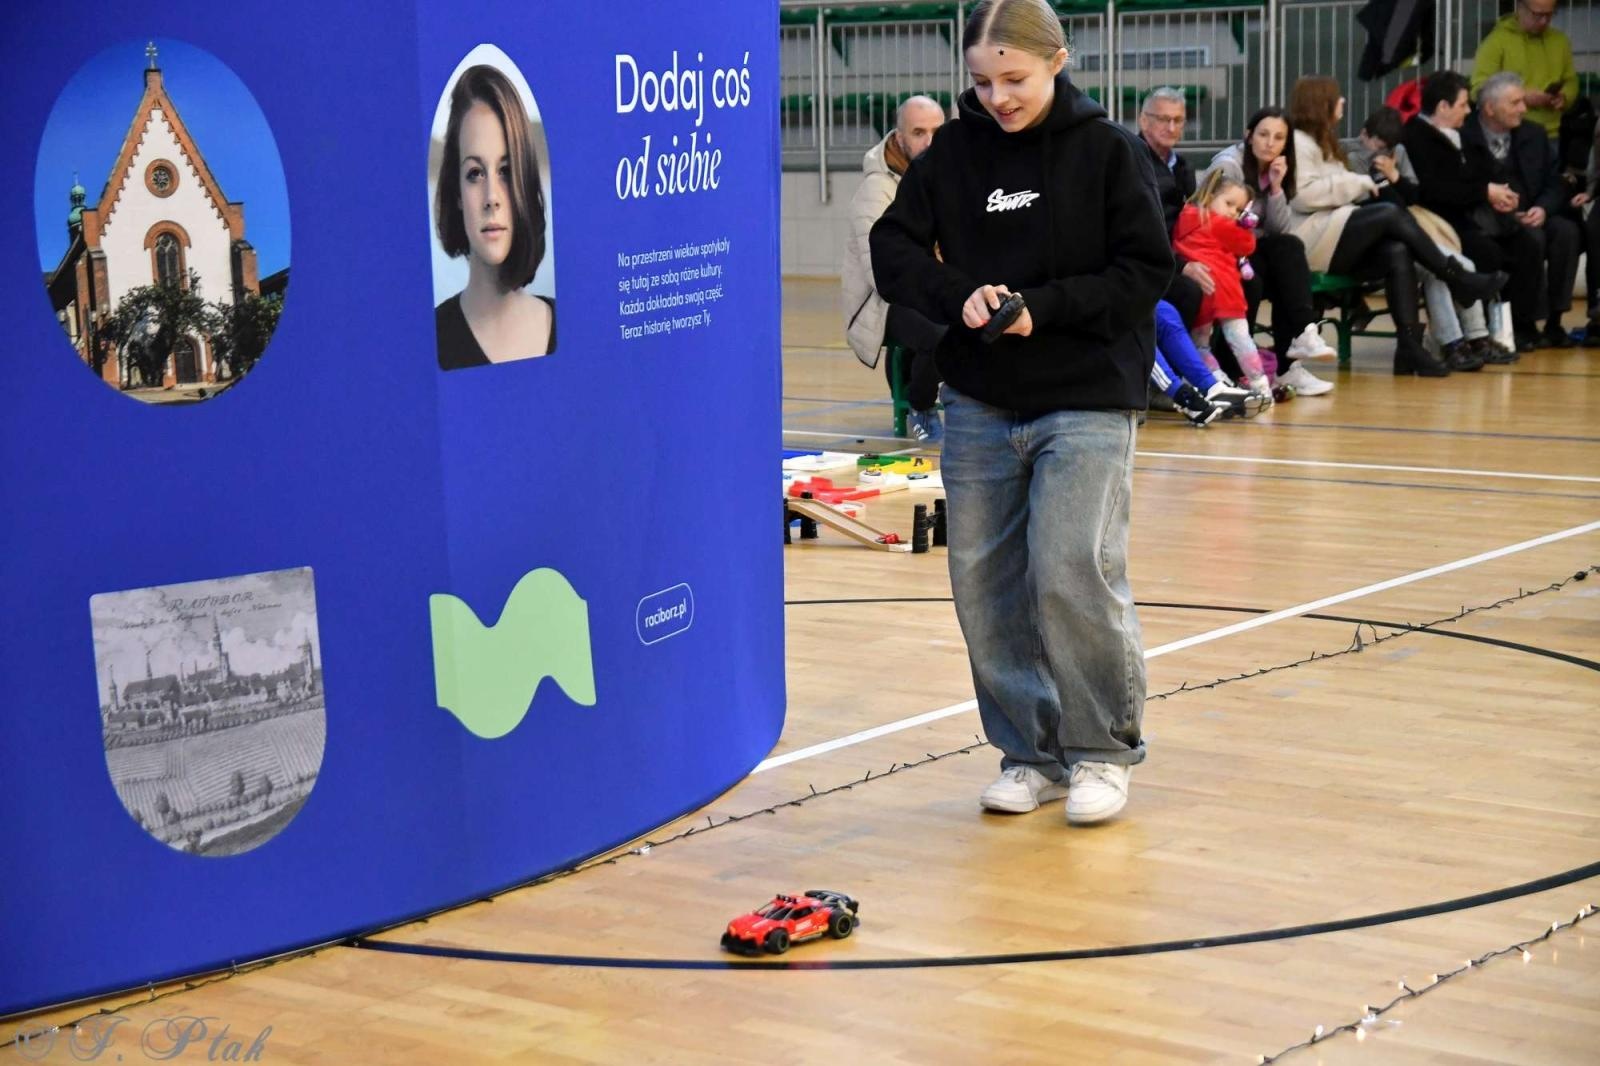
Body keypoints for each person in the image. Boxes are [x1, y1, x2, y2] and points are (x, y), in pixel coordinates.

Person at [871, 0, 1171, 826]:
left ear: (1058, 61)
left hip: (1087, 398)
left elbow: (1145, 269)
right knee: (985, 583)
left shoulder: (1109, 152)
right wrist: (956, 295)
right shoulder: (953, 156)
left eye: (1016, 79)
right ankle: (1030, 754)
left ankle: (1102, 751)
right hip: (979, 402)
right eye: (982, 81)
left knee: (1073, 567)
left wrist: (1046, 308)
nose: (998, 96)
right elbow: (891, 249)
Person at [1288, 75, 1505, 376]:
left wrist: (1357, 183)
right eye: (1337, 97)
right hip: (1312, 237)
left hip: (1332, 231)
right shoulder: (1298, 142)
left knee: (1397, 251)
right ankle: (1455, 276)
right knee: (1389, 213)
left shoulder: (1323, 141)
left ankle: (1409, 349)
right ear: (1319, 102)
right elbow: (1303, 195)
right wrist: (1357, 181)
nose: (1343, 101)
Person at [1349, 106, 1514, 366]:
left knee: (1465, 265)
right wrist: (1389, 181)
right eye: (1377, 145)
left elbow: (1414, 198)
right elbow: (1374, 204)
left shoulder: (1398, 153)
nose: (1380, 155)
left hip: (1411, 231)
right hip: (1377, 240)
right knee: (1435, 272)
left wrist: (1394, 176)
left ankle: (1477, 338)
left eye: (1387, 149)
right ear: (1364, 135)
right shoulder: (1351, 155)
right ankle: (1452, 344)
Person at [1201, 107, 1339, 397]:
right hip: (1217, 251)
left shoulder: (1276, 168)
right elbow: (1212, 221)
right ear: (1249, 136)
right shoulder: (1229, 166)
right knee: (1256, 280)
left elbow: (1280, 230)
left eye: (1278, 138)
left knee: (1289, 249)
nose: (1270, 143)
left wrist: (1276, 188)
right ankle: (1238, 369)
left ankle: (1297, 347)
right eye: (1263, 134)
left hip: (1248, 249)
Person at [1404, 70, 1546, 352]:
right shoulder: (1416, 137)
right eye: (1463, 105)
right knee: (1487, 253)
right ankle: (1482, 333)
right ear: (1443, 107)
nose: (1468, 111)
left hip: (1471, 215)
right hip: (1439, 223)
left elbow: (1483, 172)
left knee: (1527, 243)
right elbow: (1435, 192)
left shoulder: (1457, 134)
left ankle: (1521, 326)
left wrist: (1499, 193)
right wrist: (1484, 192)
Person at [434, 65, 554, 370]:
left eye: (506, 171)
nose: (492, 198)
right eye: (475, 173)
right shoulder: (432, 337)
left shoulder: (568, 322)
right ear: (457, 193)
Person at [843, 95, 948, 441]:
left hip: (928, 287)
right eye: (919, 132)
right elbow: (883, 274)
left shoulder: (944, 177)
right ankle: (920, 406)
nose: (931, 142)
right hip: (881, 302)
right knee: (940, 334)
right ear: (899, 136)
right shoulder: (876, 190)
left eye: (937, 131)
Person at [1462, 72, 1582, 348]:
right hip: (1489, 218)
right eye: (1515, 103)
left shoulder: (1534, 134)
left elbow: (1556, 182)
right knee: (1530, 239)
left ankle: (1555, 320)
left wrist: (1543, 208)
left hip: (1533, 210)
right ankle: (1523, 322)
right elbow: (1463, 186)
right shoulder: (1465, 134)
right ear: (1490, 108)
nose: (1524, 109)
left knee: (1566, 232)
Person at [1172, 173, 1273, 402]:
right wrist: (1244, 225)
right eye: (1229, 204)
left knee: (1201, 345)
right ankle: (1260, 385)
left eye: (1237, 210)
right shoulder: (1219, 223)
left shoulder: (1184, 219)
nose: (1231, 213)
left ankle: (1215, 380)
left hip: (1201, 291)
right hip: (1226, 291)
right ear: (1209, 196)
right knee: (1241, 340)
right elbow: (1247, 245)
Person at [1470, 0, 1578, 142]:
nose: (1544, 21)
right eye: (1537, 15)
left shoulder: (1560, 41)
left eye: (1549, 14)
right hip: (1509, 133)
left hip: (1551, 133)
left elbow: (1570, 80)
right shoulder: (1496, 41)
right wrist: (1522, 97)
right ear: (1520, 9)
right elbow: (1479, 90)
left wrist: (1564, 97)